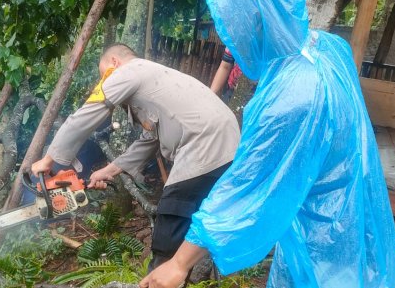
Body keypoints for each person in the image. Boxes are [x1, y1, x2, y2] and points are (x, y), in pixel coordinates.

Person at [140, 0, 395, 287]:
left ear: (261, 23)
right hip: (353, 212)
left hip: (326, 240)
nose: (233, 44)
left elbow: (249, 186)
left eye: (236, 32)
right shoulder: (329, 48)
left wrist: (179, 264)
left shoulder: (293, 97)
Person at [31, 44, 241, 272]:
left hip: (205, 145)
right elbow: (150, 140)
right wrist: (109, 170)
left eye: (105, 75)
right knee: (190, 226)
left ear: (114, 62)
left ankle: (159, 278)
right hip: (227, 145)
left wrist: (49, 160)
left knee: (170, 223)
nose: (105, 82)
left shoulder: (126, 72)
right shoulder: (156, 77)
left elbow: (84, 116)